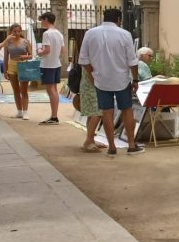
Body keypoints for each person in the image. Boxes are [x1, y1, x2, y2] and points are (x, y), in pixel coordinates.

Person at [79, 9, 144, 157]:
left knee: (106, 112)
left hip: (101, 79)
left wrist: (92, 75)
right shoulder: (125, 34)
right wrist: (135, 79)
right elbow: (132, 61)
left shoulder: (90, 33)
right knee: (127, 110)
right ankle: (132, 145)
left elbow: (83, 60)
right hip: (121, 79)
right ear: (119, 19)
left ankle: (112, 147)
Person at [37, 12, 65, 125]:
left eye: (42, 20)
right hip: (56, 63)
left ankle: (54, 117)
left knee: (51, 90)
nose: (41, 22)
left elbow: (47, 50)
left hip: (47, 64)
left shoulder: (47, 34)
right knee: (54, 90)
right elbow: (63, 51)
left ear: (46, 19)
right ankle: (54, 115)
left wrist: (39, 51)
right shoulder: (59, 33)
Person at [3, 23, 32, 120]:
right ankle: (19, 111)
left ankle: (25, 112)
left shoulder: (26, 42)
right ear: (10, 32)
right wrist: (5, 71)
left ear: (21, 32)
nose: (16, 33)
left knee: (24, 90)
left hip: (23, 65)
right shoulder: (8, 42)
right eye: (14, 31)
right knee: (15, 90)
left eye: (18, 31)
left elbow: (31, 55)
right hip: (12, 66)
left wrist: (26, 56)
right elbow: (5, 58)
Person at [77, 63, 104, 153]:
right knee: (97, 113)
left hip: (90, 84)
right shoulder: (93, 51)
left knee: (92, 113)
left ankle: (91, 139)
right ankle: (88, 141)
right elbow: (91, 71)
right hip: (92, 84)